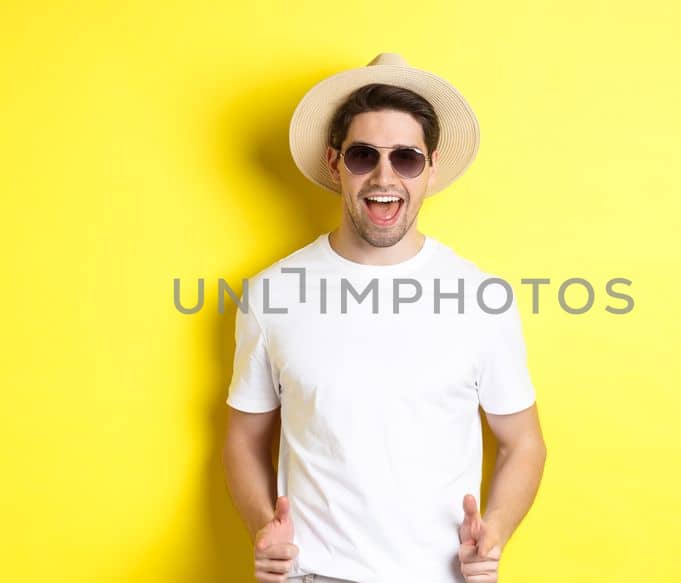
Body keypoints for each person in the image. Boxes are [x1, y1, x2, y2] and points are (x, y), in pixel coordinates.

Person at [223, 52, 546, 583]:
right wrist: (264, 528)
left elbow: (524, 440)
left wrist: (495, 531)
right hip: (313, 575)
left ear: (431, 168)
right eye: (363, 155)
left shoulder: (483, 296)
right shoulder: (272, 293)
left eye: (406, 158)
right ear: (335, 163)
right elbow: (242, 436)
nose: (384, 175)